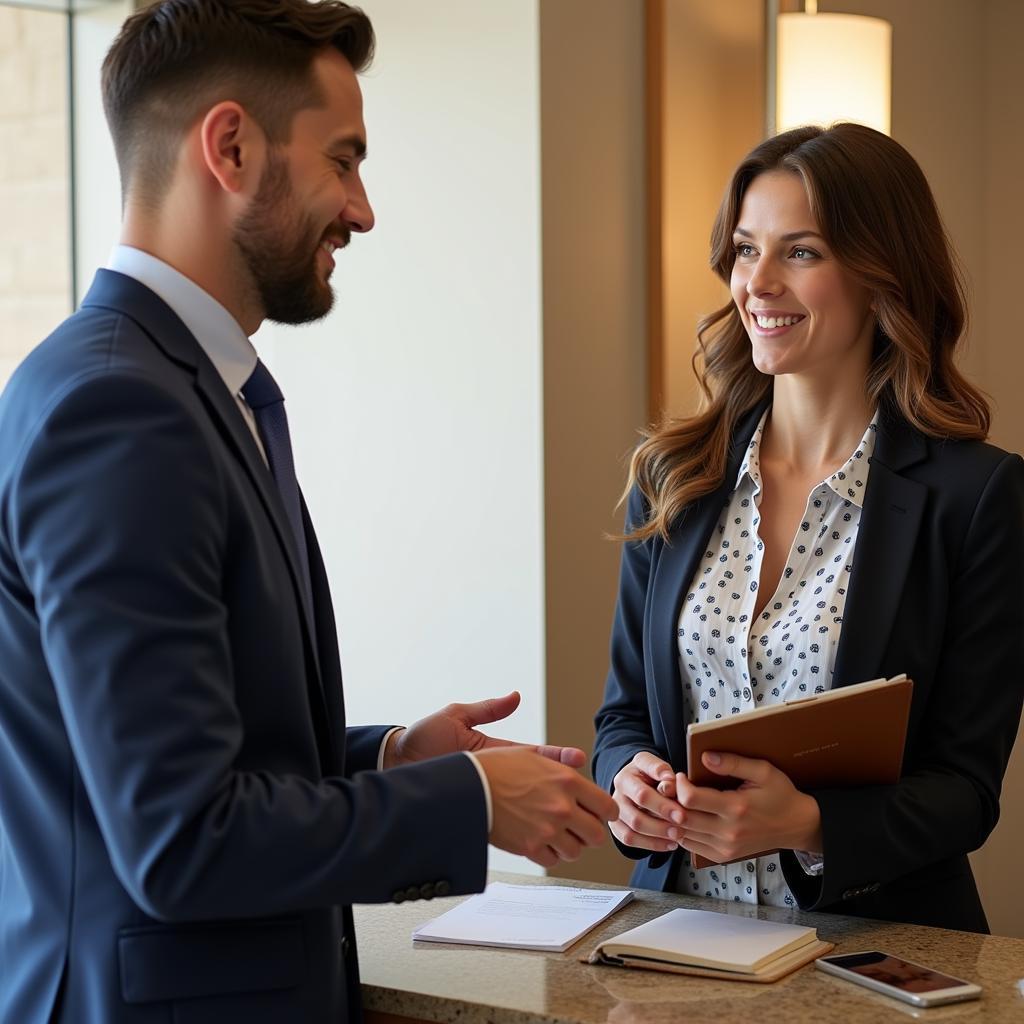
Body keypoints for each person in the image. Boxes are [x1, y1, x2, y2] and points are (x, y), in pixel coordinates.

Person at [0, 3, 618, 1022]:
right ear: (231, 146)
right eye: (343, 160)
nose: (363, 209)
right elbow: (180, 836)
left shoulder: (181, 386)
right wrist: (466, 801)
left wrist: (387, 755)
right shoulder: (120, 409)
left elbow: (175, 750)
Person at [593, 122, 1024, 933]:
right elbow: (621, 720)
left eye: (800, 252)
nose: (758, 283)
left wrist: (807, 824)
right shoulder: (673, 479)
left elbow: (967, 790)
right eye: (745, 250)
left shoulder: (977, 497)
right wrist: (631, 785)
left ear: (879, 274)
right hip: (680, 944)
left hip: (877, 961)